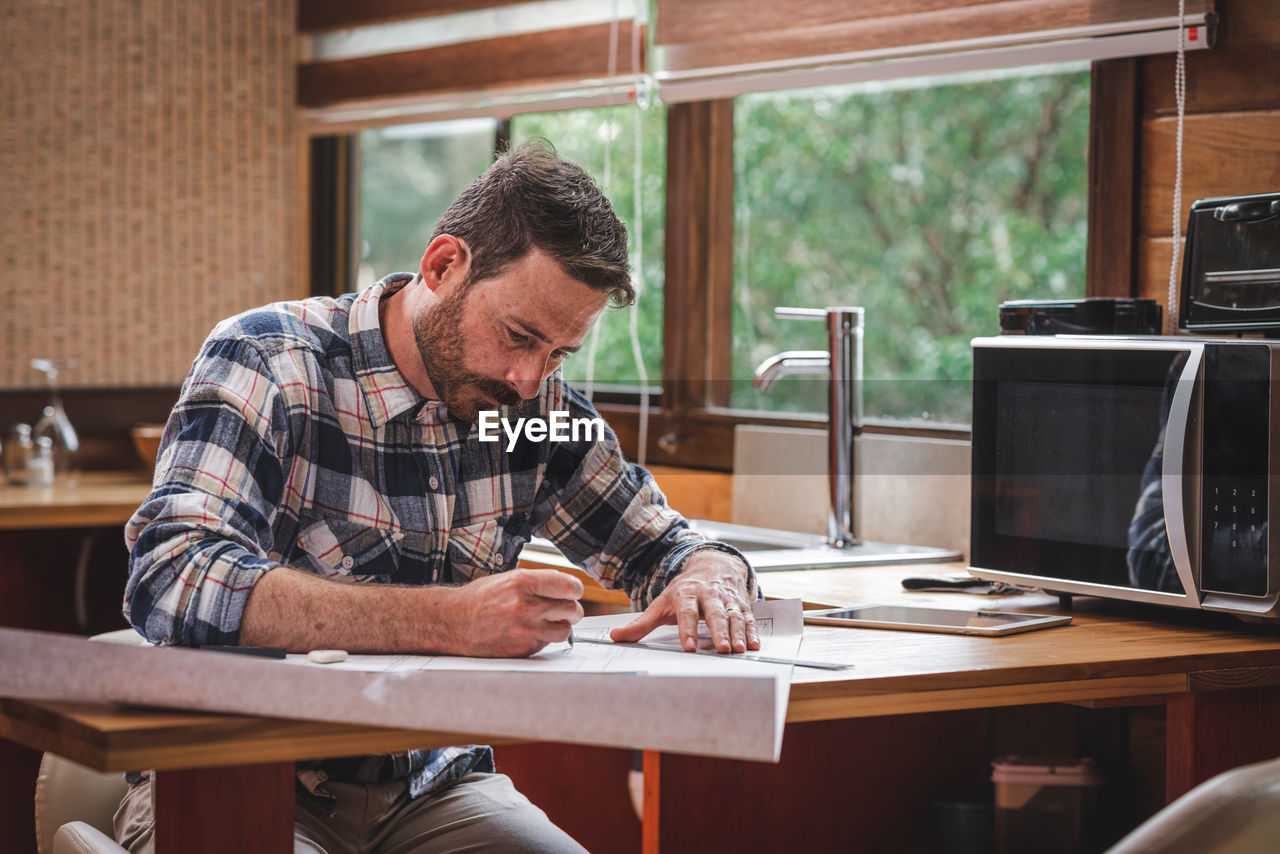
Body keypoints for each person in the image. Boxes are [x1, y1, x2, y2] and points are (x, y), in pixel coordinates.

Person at [118, 139, 758, 853]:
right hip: (242, 776)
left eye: (557, 354)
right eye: (518, 335)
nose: (527, 378)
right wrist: (447, 620)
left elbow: (667, 545)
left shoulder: (528, 409)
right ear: (443, 264)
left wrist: (712, 576)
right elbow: (173, 578)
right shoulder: (270, 360)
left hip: (437, 788)